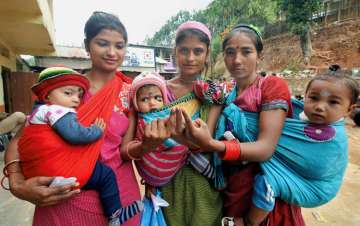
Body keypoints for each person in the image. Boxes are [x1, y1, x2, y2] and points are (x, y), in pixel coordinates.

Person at [3, 11, 142, 226]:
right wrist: (17, 184)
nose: (112, 52)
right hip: (63, 198)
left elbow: (131, 149)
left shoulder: (132, 92)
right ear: (87, 45)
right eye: (103, 43)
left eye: (119, 46)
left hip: (118, 197)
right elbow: (18, 141)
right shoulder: (65, 89)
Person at [179, 24, 307, 226]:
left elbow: (265, 149)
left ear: (260, 56)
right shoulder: (226, 95)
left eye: (246, 51)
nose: (237, 60)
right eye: (230, 53)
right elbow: (206, 140)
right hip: (234, 190)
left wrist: (214, 146)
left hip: (266, 196)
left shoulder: (271, 86)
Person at [122, 21, 223, 226]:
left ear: (207, 53)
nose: (190, 58)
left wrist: (183, 139)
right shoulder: (153, 91)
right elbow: (132, 144)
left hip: (202, 184)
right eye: (184, 50)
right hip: (165, 184)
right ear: (175, 51)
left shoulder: (214, 93)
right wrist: (150, 173)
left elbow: (206, 142)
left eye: (198, 51)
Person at [18, 67, 142, 226]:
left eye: (79, 94)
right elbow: (74, 134)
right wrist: (96, 131)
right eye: (68, 93)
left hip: (50, 171)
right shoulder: (57, 109)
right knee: (105, 176)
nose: (76, 99)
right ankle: (115, 215)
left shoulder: (37, 112)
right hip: (66, 173)